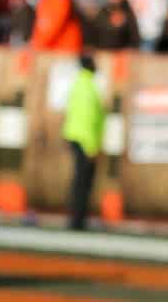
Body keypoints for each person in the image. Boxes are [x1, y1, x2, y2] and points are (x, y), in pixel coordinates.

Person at [62, 53, 104, 231]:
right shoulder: (88, 87)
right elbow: (89, 118)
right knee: (83, 182)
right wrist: (91, 146)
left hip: (75, 136)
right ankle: (77, 221)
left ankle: (76, 219)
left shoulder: (78, 84)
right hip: (84, 140)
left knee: (79, 180)